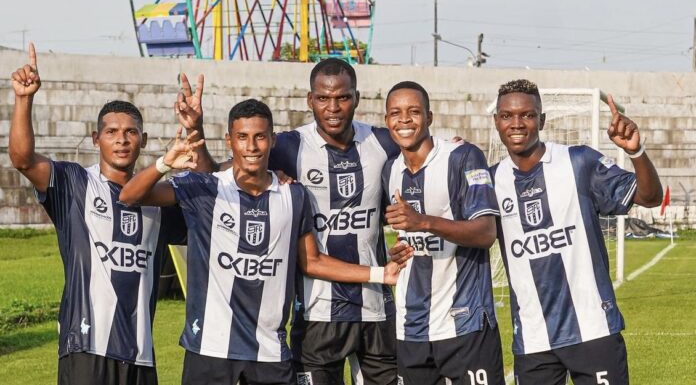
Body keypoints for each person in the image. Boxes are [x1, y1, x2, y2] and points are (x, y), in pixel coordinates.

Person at [118, 98, 405, 385]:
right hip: (210, 348)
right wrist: (164, 164)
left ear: (272, 140)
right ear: (229, 140)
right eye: (242, 137)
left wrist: (381, 274)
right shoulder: (205, 189)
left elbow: (311, 261)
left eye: (259, 137)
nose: (251, 146)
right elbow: (129, 196)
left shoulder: (294, 196)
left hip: (270, 353)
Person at [184, 58, 402, 385]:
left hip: (376, 307)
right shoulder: (289, 146)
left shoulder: (382, 143)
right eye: (323, 98)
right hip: (316, 312)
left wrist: (452, 149)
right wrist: (195, 131)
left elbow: (423, 152)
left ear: (356, 98)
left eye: (342, 97)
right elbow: (217, 180)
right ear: (310, 100)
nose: (333, 108)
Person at [8, 44, 187, 385]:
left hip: (140, 353)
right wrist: (23, 99)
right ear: (96, 139)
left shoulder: (158, 200)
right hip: (85, 346)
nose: (122, 140)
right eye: (111, 132)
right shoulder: (75, 184)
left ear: (143, 140)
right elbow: (23, 160)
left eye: (130, 132)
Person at [490, 79, 663, 384]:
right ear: (496, 122)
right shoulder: (491, 180)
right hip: (533, 338)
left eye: (527, 115)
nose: (516, 124)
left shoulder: (578, 161)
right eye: (507, 116)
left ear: (542, 120)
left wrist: (636, 152)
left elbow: (650, 197)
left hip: (593, 329)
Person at [381, 81, 504, 385]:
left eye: (414, 112)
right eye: (396, 113)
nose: (404, 120)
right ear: (386, 120)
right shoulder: (390, 170)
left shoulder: (462, 157)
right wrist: (398, 252)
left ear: (429, 117)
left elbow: (486, 233)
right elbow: (407, 233)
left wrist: (424, 222)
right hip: (411, 326)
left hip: (465, 322)